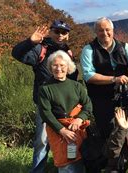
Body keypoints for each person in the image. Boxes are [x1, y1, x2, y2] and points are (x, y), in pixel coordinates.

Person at [11, 20, 77, 173]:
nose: (60, 35)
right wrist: (30, 42)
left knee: (69, 140)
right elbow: (16, 54)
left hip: (66, 106)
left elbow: (72, 80)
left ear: (67, 35)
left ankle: (66, 168)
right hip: (44, 105)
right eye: (57, 31)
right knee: (42, 141)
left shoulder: (68, 53)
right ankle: (38, 170)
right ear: (51, 32)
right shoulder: (40, 49)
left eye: (64, 32)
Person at [80, 17, 128, 140]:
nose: (105, 33)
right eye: (101, 30)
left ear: (113, 30)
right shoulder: (88, 49)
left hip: (122, 92)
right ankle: (108, 155)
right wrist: (114, 79)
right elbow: (88, 76)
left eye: (107, 30)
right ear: (96, 32)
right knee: (107, 129)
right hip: (100, 95)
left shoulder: (124, 46)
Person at [37, 50, 92, 172]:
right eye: (55, 65)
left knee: (80, 158)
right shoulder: (45, 88)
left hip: (76, 129)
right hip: (58, 130)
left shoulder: (77, 86)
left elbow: (87, 105)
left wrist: (79, 118)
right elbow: (46, 113)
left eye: (62, 65)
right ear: (50, 67)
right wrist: (62, 131)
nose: (58, 68)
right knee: (65, 162)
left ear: (68, 67)